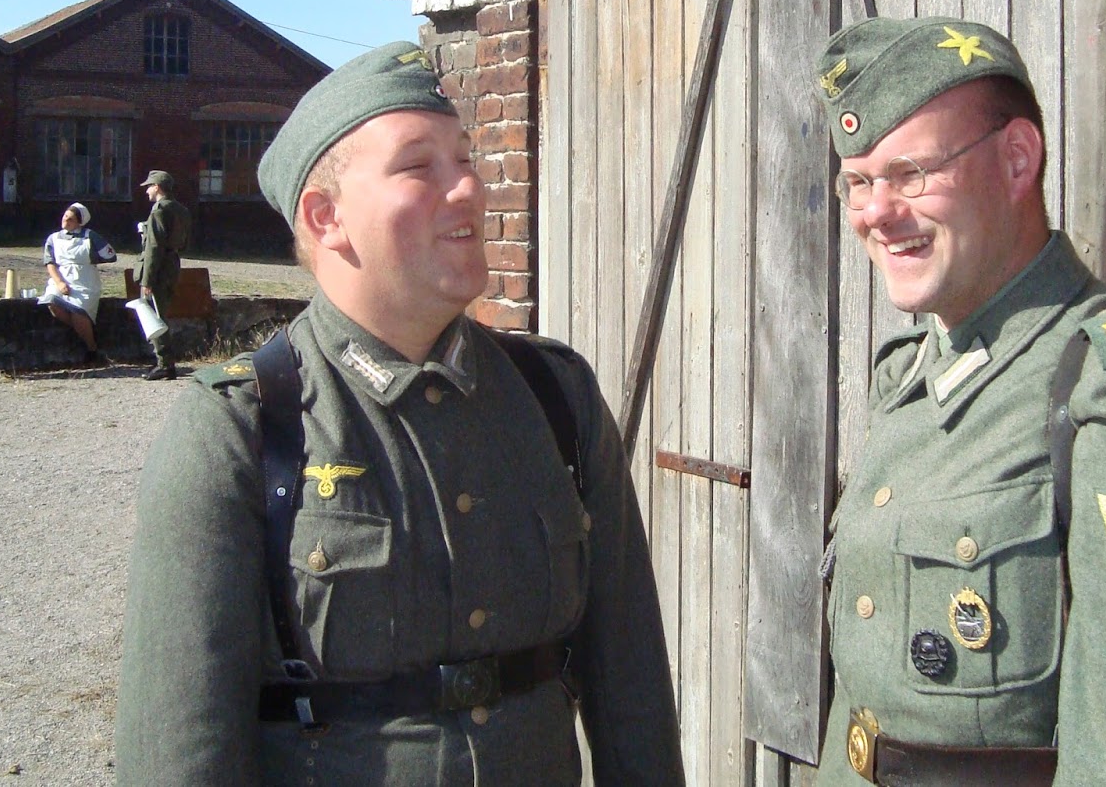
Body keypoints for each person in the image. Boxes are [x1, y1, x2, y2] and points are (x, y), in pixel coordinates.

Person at [116, 41, 684, 784]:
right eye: (420, 167)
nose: (472, 190)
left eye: (466, 159)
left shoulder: (556, 396)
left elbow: (629, 683)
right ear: (327, 219)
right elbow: (181, 751)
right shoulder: (241, 429)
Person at [814, 17, 1106, 785]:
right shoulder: (913, 377)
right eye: (858, 182)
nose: (873, 213)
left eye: (909, 174)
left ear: (1019, 159)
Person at [37, 202, 117, 364]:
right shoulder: (53, 238)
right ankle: (84, 332)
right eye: (65, 217)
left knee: (79, 312)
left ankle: (91, 347)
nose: (66, 221)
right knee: (52, 302)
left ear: (79, 222)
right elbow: (50, 262)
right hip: (62, 276)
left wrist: (91, 259)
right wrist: (59, 282)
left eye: (71, 219)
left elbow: (110, 255)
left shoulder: (90, 236)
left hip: (84, 279)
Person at [135, 168, 191, 380]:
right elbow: (183, 242)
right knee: (160, 311)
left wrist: (147, 279)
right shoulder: (181, 210)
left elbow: (154, 247)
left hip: (158, 268)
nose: (146, 191)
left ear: (157, 187)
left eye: (149, 186)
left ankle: (164, 363)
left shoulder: (159, 210)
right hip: (172, 264)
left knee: (154, 316)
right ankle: (164, 362)